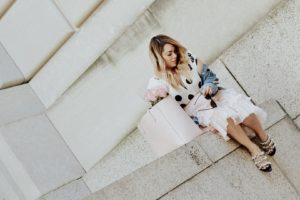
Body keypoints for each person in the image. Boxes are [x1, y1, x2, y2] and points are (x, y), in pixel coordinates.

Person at [146, 34, 276, 172]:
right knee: (222, 116)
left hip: (214, 95)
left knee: (237, 103)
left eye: (175, 51)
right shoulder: (157, 82)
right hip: (199, 111)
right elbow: (166, 110)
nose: (174, 56)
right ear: (159, 58)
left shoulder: (188, 59)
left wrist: (209, 86)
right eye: (169, 54)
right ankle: (253, 149)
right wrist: (157, 96)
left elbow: (210, 77)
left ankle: (262, 135)